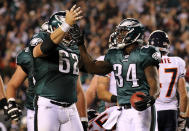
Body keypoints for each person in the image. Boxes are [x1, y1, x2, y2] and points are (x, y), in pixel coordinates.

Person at [77, 18, 160, 131]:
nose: (119, 35)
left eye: (123, 32)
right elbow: (92, 67)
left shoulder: (145, 53)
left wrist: (151, 98)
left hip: (141, 109)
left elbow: (154, 83)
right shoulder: (114, 55)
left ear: (134, 33)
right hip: (122, 111)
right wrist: (81, 45)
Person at [29, 5, 89, 131]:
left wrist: (83, 117)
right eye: (68, 29)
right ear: (56, 27)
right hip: (49, 106)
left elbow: (77, 88)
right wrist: (66, 25)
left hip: (71, 108)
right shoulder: (42, 37)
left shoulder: (73, 49)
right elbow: (38, 51)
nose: (70, 33)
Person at [148, 30, 188, 131]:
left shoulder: (145, 62)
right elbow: (183, 94)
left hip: (152, 111)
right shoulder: (178, 62)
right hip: (171, 112)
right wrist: (182, 117)